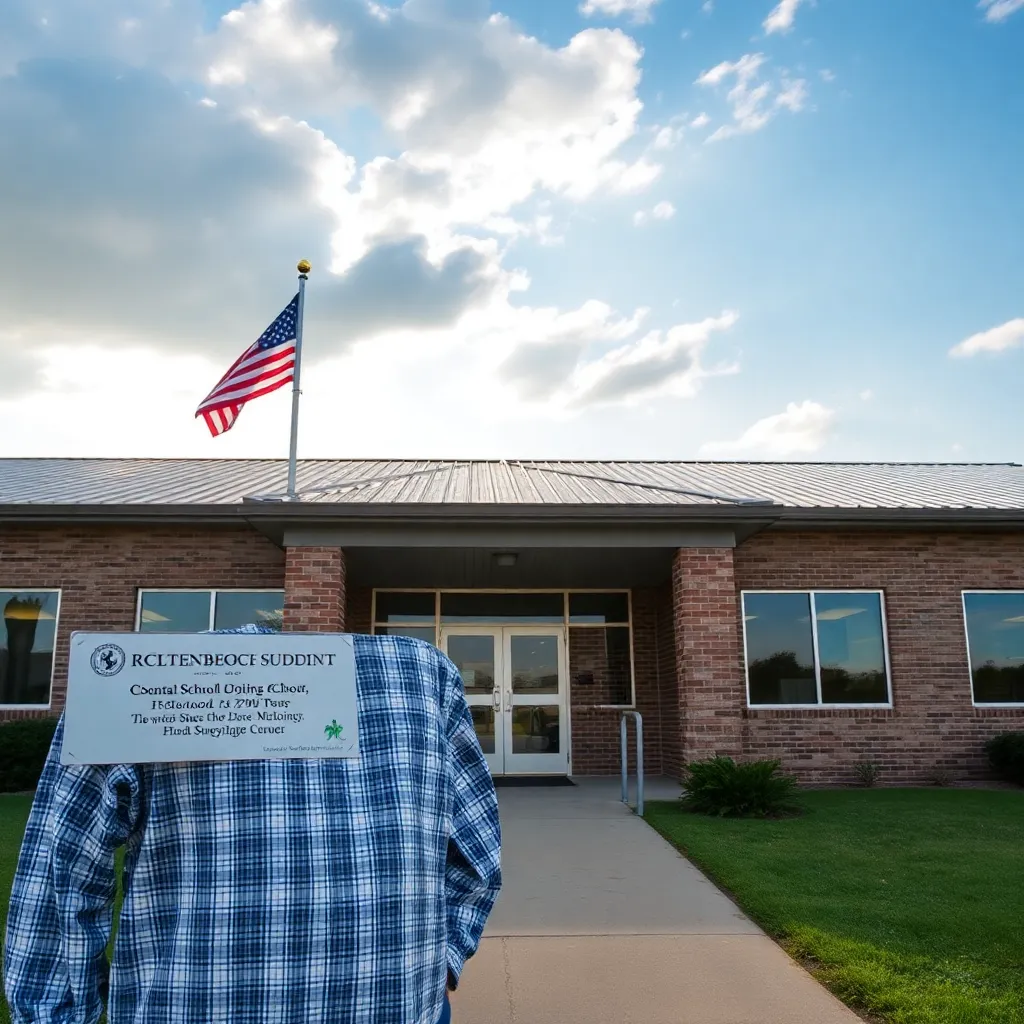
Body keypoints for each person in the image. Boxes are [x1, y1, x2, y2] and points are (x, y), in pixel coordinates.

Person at [4, 628, 501, 1024]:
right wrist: (444, 960)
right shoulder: (423, 675)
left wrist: (444, 961)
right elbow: (476, 851)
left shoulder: (426, 676)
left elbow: (61, 868)